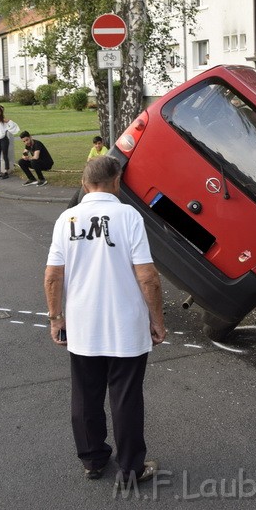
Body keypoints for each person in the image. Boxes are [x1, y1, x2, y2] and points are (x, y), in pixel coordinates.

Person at [44, 156, 166, 483]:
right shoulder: (128, 216)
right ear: (117, 182)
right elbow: (148, 277)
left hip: (82, 325)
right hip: (125, 325)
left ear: (85, 184)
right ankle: (131, 467)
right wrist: (157, 319)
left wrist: (56, 318)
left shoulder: (66, 218)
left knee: (85, 395)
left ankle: (93, 460)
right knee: (125, 396)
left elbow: (53, 276)